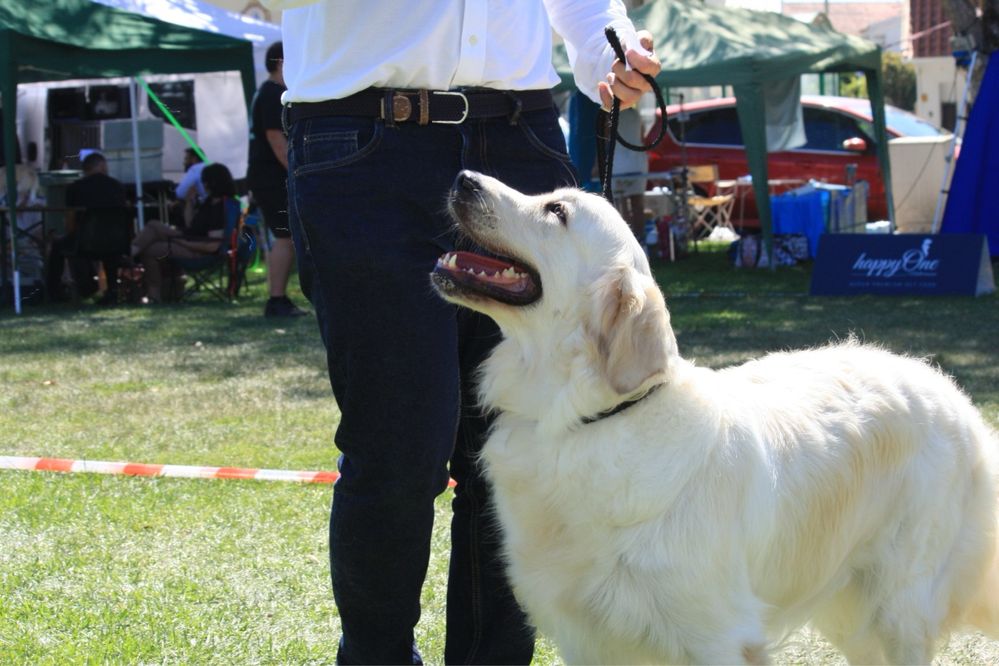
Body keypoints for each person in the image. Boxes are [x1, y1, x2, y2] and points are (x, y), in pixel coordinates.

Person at [269, 1, 660, 662]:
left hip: (522, 138)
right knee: (397, 450)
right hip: (362, 143)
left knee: (518, 457)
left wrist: (610, 50)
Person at [247, 41, 306, 318]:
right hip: (272, 177)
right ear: (282, 62)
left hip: (270, 176)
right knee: (285, 236)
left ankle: (279, 297)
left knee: (287, 237)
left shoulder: (270, 92)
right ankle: (277, 299)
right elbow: (275, 138)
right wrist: (296, 172)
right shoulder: (272, 94)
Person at [129, 162, 238, 303]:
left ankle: (130, 256)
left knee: (152, 231)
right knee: (151, 240)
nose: (202, 185)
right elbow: (190, 226)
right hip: (190, 241)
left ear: (211, 183)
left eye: (203, 182)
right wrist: (189, 202)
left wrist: (181, 241)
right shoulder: (210, 202)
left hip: (199, 252)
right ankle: (153, 293)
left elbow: (213, 246)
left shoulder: (220, 208)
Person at [46, 151, 127, 303]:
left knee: (58, 247)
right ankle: (112, 291)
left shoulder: (76, 188)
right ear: (102, 166)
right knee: (109, 251)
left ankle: (54, 293)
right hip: (117, 243)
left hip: (85, 243)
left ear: (85, 169)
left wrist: (69, 237)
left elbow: (70, 220)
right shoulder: (119, 187)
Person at [611, 105, 649, 241]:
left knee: (621, 203)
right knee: (638, 203)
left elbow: (605, 136)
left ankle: (626, 239)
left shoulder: (609, 114)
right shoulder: (635, 114)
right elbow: (642, 134)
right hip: (637, 161)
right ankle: (641, 238)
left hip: (618, 162)